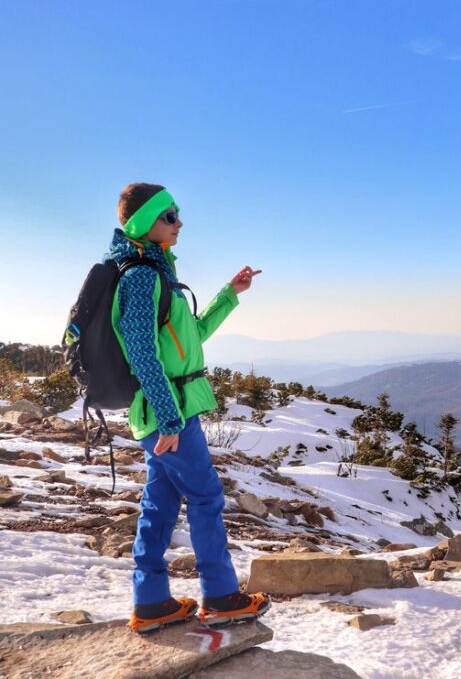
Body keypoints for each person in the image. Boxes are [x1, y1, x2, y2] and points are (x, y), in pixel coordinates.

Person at [105, 182, 270, 634]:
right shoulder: (140, 277)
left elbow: (190, 336)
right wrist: (171, 419)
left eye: (177, 214)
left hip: (167, 411)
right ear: (144, 224)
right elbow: (142, 352)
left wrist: (230, 293)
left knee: (160, 503)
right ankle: (220, 597)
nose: (179, 223)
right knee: (205, 497)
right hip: (167, 413)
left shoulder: (157, 274)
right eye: (170, 216)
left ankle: (152, 601)